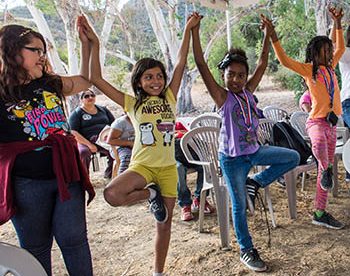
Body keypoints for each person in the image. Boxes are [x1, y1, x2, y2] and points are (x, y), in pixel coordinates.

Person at [78, 13, 200, 275]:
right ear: (139, 82)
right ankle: (151, 194)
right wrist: (94, 44)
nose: (155, 81)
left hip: (168, 168)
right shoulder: (132, 103)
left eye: (158, 76)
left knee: (164, 224)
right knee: (112, 194)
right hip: (142, 166)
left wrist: (188, 30)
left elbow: (180, 63)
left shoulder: (170, 96)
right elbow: (96, 79)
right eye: (148, 77)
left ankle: (158, 272)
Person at [191, 13, 300, 272]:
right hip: (232, 160)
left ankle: (256, 182)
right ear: (223, 75)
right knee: (239, 207)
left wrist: (266, 34)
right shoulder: (222, 97)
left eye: (241, 75)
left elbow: (263, 62)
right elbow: (200, 63)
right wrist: (195, 31)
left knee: (292, 157)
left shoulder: (249, 92)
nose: (237, 80)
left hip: (255, 152)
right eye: (231, 75)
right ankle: (246, 249)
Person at [0, 22, 95, 276]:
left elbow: (85, 80)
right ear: (13, 51)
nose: (43, 57)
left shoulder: (51, 83)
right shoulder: (2, 93)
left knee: (75, 241)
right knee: (35, 249)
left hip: (67, 176)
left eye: (44, 51)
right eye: (37, 50)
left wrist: (87, 45)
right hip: (27, 185)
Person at [268, 7, 345, 229]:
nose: (330, 53)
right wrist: (273, 36)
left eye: (330, 50)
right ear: (315, 52)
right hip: (316, 123)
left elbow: (340, 46)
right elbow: (283, 60)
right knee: (320, 146)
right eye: (325, 50)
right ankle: (326, 168)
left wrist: (338, 24)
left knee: (324, 172)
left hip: (331, 123)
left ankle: (320, 212)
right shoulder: (308, 69)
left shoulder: (331, 68)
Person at [69, 88, 115, 179]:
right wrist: (89, 145)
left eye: (92, 95)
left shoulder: (103, 110)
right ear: (81, 99)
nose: (90, 97)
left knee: (116, 150)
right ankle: (84, 179)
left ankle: (110, 175)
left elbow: (114, 124)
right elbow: (73, 132)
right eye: (86, 96)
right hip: (86, 141)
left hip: (104, 139)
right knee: (83, 152)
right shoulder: (76, 113)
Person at [174, 121, 215, 221]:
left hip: (191, 154)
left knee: (205, 166)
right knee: (178, 169)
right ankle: (185, 205)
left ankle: (200, 198)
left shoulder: (179, 124)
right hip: (176, 157)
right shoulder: (161, 126)